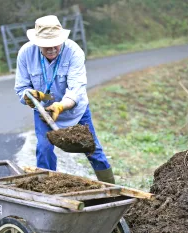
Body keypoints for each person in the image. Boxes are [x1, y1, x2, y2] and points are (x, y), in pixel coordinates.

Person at [14, 15, 115, 184]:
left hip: (76, 111)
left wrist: (60, 107)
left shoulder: (74, 52)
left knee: (94, 150)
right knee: (44, 149)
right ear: (37, 42)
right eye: (47, 44)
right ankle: (46, 188)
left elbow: (76, 90)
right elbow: (21, 88)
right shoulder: (25, 53)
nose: (52, 48)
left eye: (56, 42)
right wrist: (30, 96)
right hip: (44, 112)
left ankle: (113, 191)